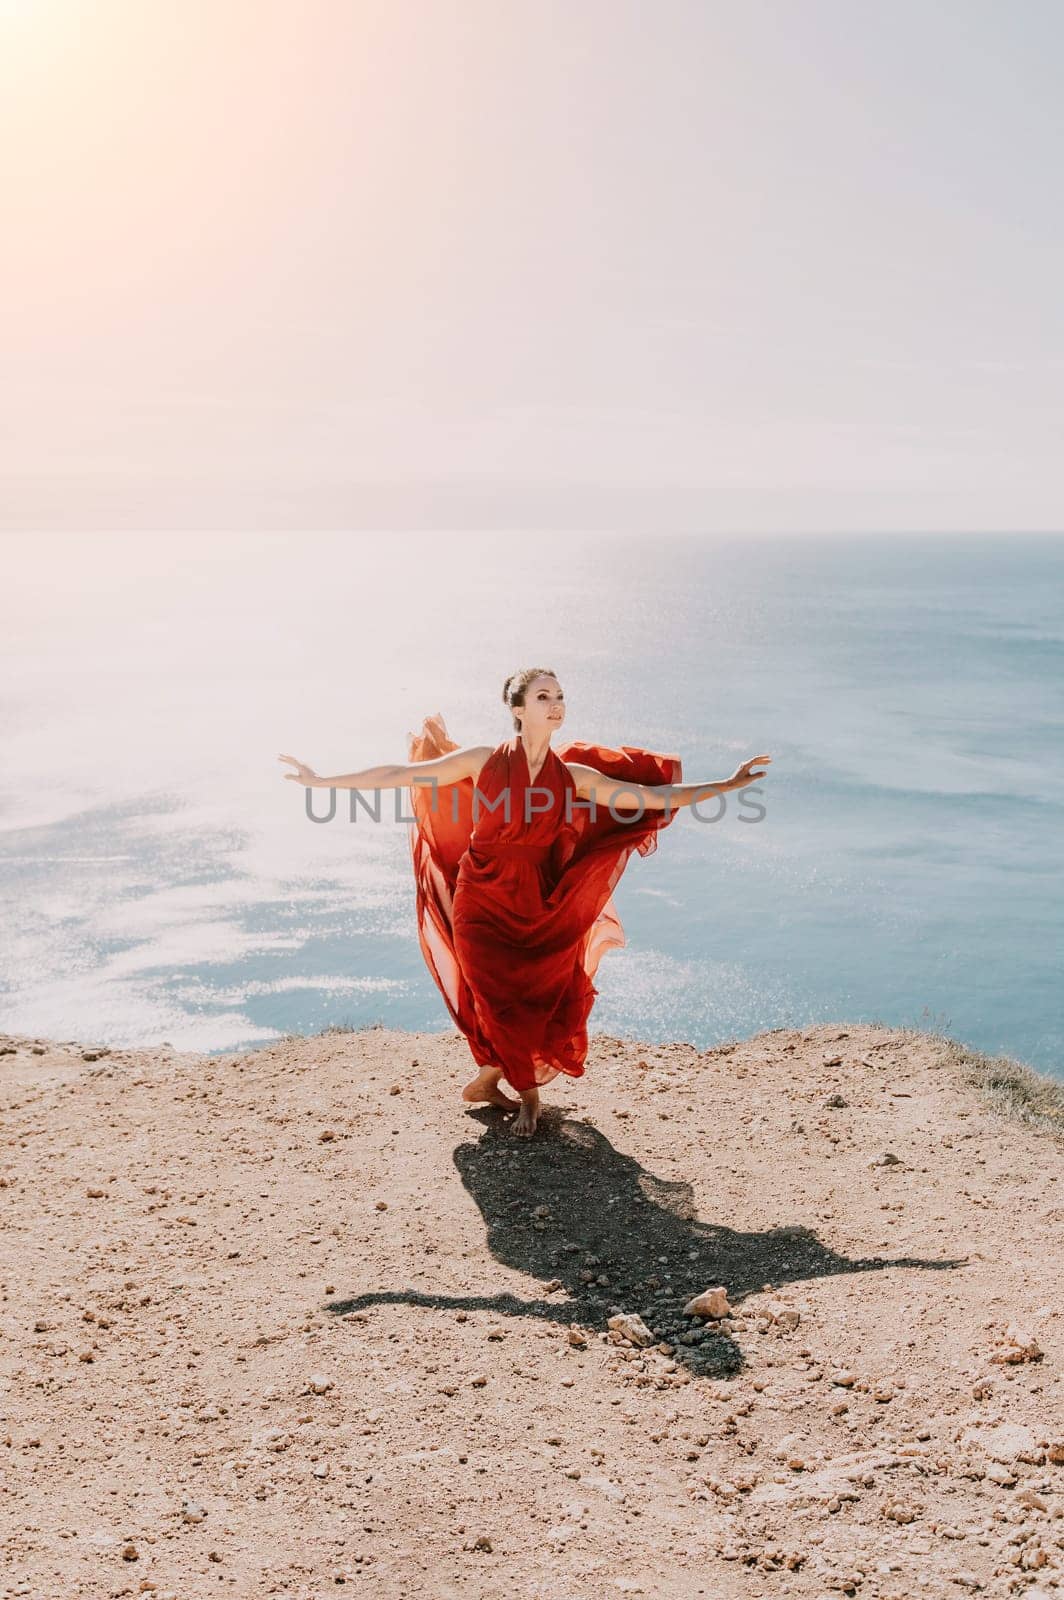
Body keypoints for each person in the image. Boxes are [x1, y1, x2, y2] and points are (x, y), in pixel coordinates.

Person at [279, 668, 771, 1137]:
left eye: (559, 697)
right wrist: (322, 781)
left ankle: (487, 1082)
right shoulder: (483, 760)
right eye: (543, 697)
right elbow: (404, 773)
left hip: (539, 897)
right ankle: (529, 1092)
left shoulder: (571, 775)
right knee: (493, 993)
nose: (555, 705)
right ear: (517, 709)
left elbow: (651, 798)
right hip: (482, 894)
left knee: (539, 993)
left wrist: (727, 785)